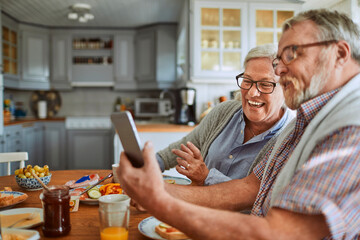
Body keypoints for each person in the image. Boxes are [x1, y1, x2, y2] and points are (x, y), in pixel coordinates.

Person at [119, 9, 360, 240]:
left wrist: (158, 200)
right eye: (279, 59)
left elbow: (277, 233)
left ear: (339, 54)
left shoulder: (351, 127)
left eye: (292, 53)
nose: (281, 68)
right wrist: (152, 189)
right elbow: (249, 188)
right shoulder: (305, 121)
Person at [157, 44, 295, 185]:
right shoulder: (224, 112)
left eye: (265, 84)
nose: (252, 93)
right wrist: (151, 164)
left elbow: (260, 198)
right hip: (197, 202)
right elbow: (184, 147)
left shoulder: (291, 138)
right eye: (247, 81)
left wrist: (206, 177)